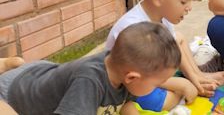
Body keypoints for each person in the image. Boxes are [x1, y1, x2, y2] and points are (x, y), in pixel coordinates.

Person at [105, 0, 224, 111]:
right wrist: (182, 85)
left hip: (151, 72)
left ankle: (199, 76)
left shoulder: (162, 19)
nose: (189, 7)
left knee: (178, 38)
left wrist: (192, 78)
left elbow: (172, 48)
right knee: (168, 101)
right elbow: (137, 76)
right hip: (130, 83)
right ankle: (193, 82)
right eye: (183, 1)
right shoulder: (132, 28)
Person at [0, 22, 185, 115]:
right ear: (132, 77)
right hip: (12, 93)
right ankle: (8, 64)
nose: (159, 87)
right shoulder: (89, 81)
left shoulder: (125, 72)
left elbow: (128, 107)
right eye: (157, 84)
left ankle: (13, 64)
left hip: (43, 74)